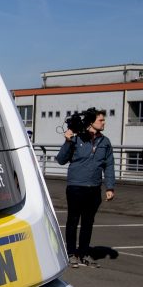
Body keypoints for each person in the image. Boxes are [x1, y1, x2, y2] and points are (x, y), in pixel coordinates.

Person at [56, 108, 115, 268]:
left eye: (103, 120)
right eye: (100, 120)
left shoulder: (105, 142)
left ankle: (82, 254)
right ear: (91, 122)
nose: (104, 122)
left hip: (94, 189)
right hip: (76, 187)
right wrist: (68, 141)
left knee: (88, 223)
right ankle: (70, 254)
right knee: (73, 221)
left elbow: (109, 165)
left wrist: (110, 187)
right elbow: (61, 160)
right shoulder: (76, 139)